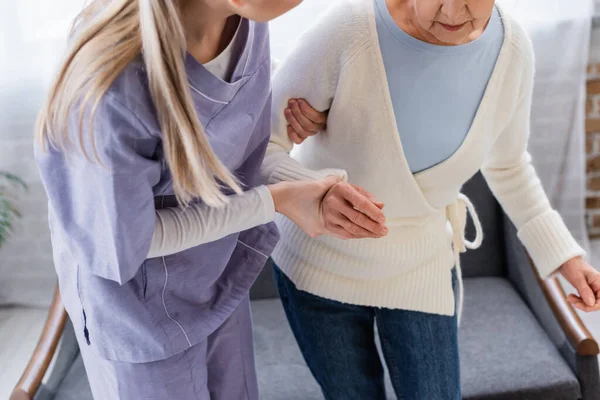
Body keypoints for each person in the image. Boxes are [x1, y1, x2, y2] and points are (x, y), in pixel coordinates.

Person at [33, 0, 387, 399]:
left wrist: (309, 186)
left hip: (214, 277)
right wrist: (278, 200)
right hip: (139, 316)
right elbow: (128, 243)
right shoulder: (111, 83)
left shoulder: (248, 25)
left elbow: (241, 159)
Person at [264, 0, 600, 399]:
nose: (454, 13)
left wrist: (564, 256)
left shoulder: (511, 50)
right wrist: (314, 194)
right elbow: (263, 147)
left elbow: (508, 166)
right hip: (317, 264)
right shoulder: (348, 30)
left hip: (421, 267)